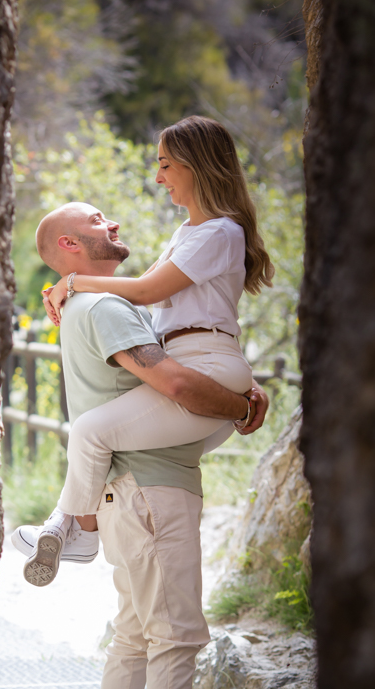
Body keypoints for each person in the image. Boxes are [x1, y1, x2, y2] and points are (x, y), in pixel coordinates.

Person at [10, 180, 269, 689]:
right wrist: (240, 407)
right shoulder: (110, 309)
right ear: (72, 244)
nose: (115, 221)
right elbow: (175, 382)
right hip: (152, 490)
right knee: (177, 637)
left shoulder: (85, 306)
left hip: (123, 493)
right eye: (99, 219)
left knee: (132, 639)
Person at [15, 115, 273, 589]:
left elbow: (146, 291)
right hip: (205, 358)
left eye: (165, 165)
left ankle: (79, 529)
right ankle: (68, 523)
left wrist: (70, 281)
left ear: (196, 167)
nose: (158, 177)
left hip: (205, 359)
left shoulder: (219, 232)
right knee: (105, 437)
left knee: (90, 430)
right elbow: (140, 299)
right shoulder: (189, 234)